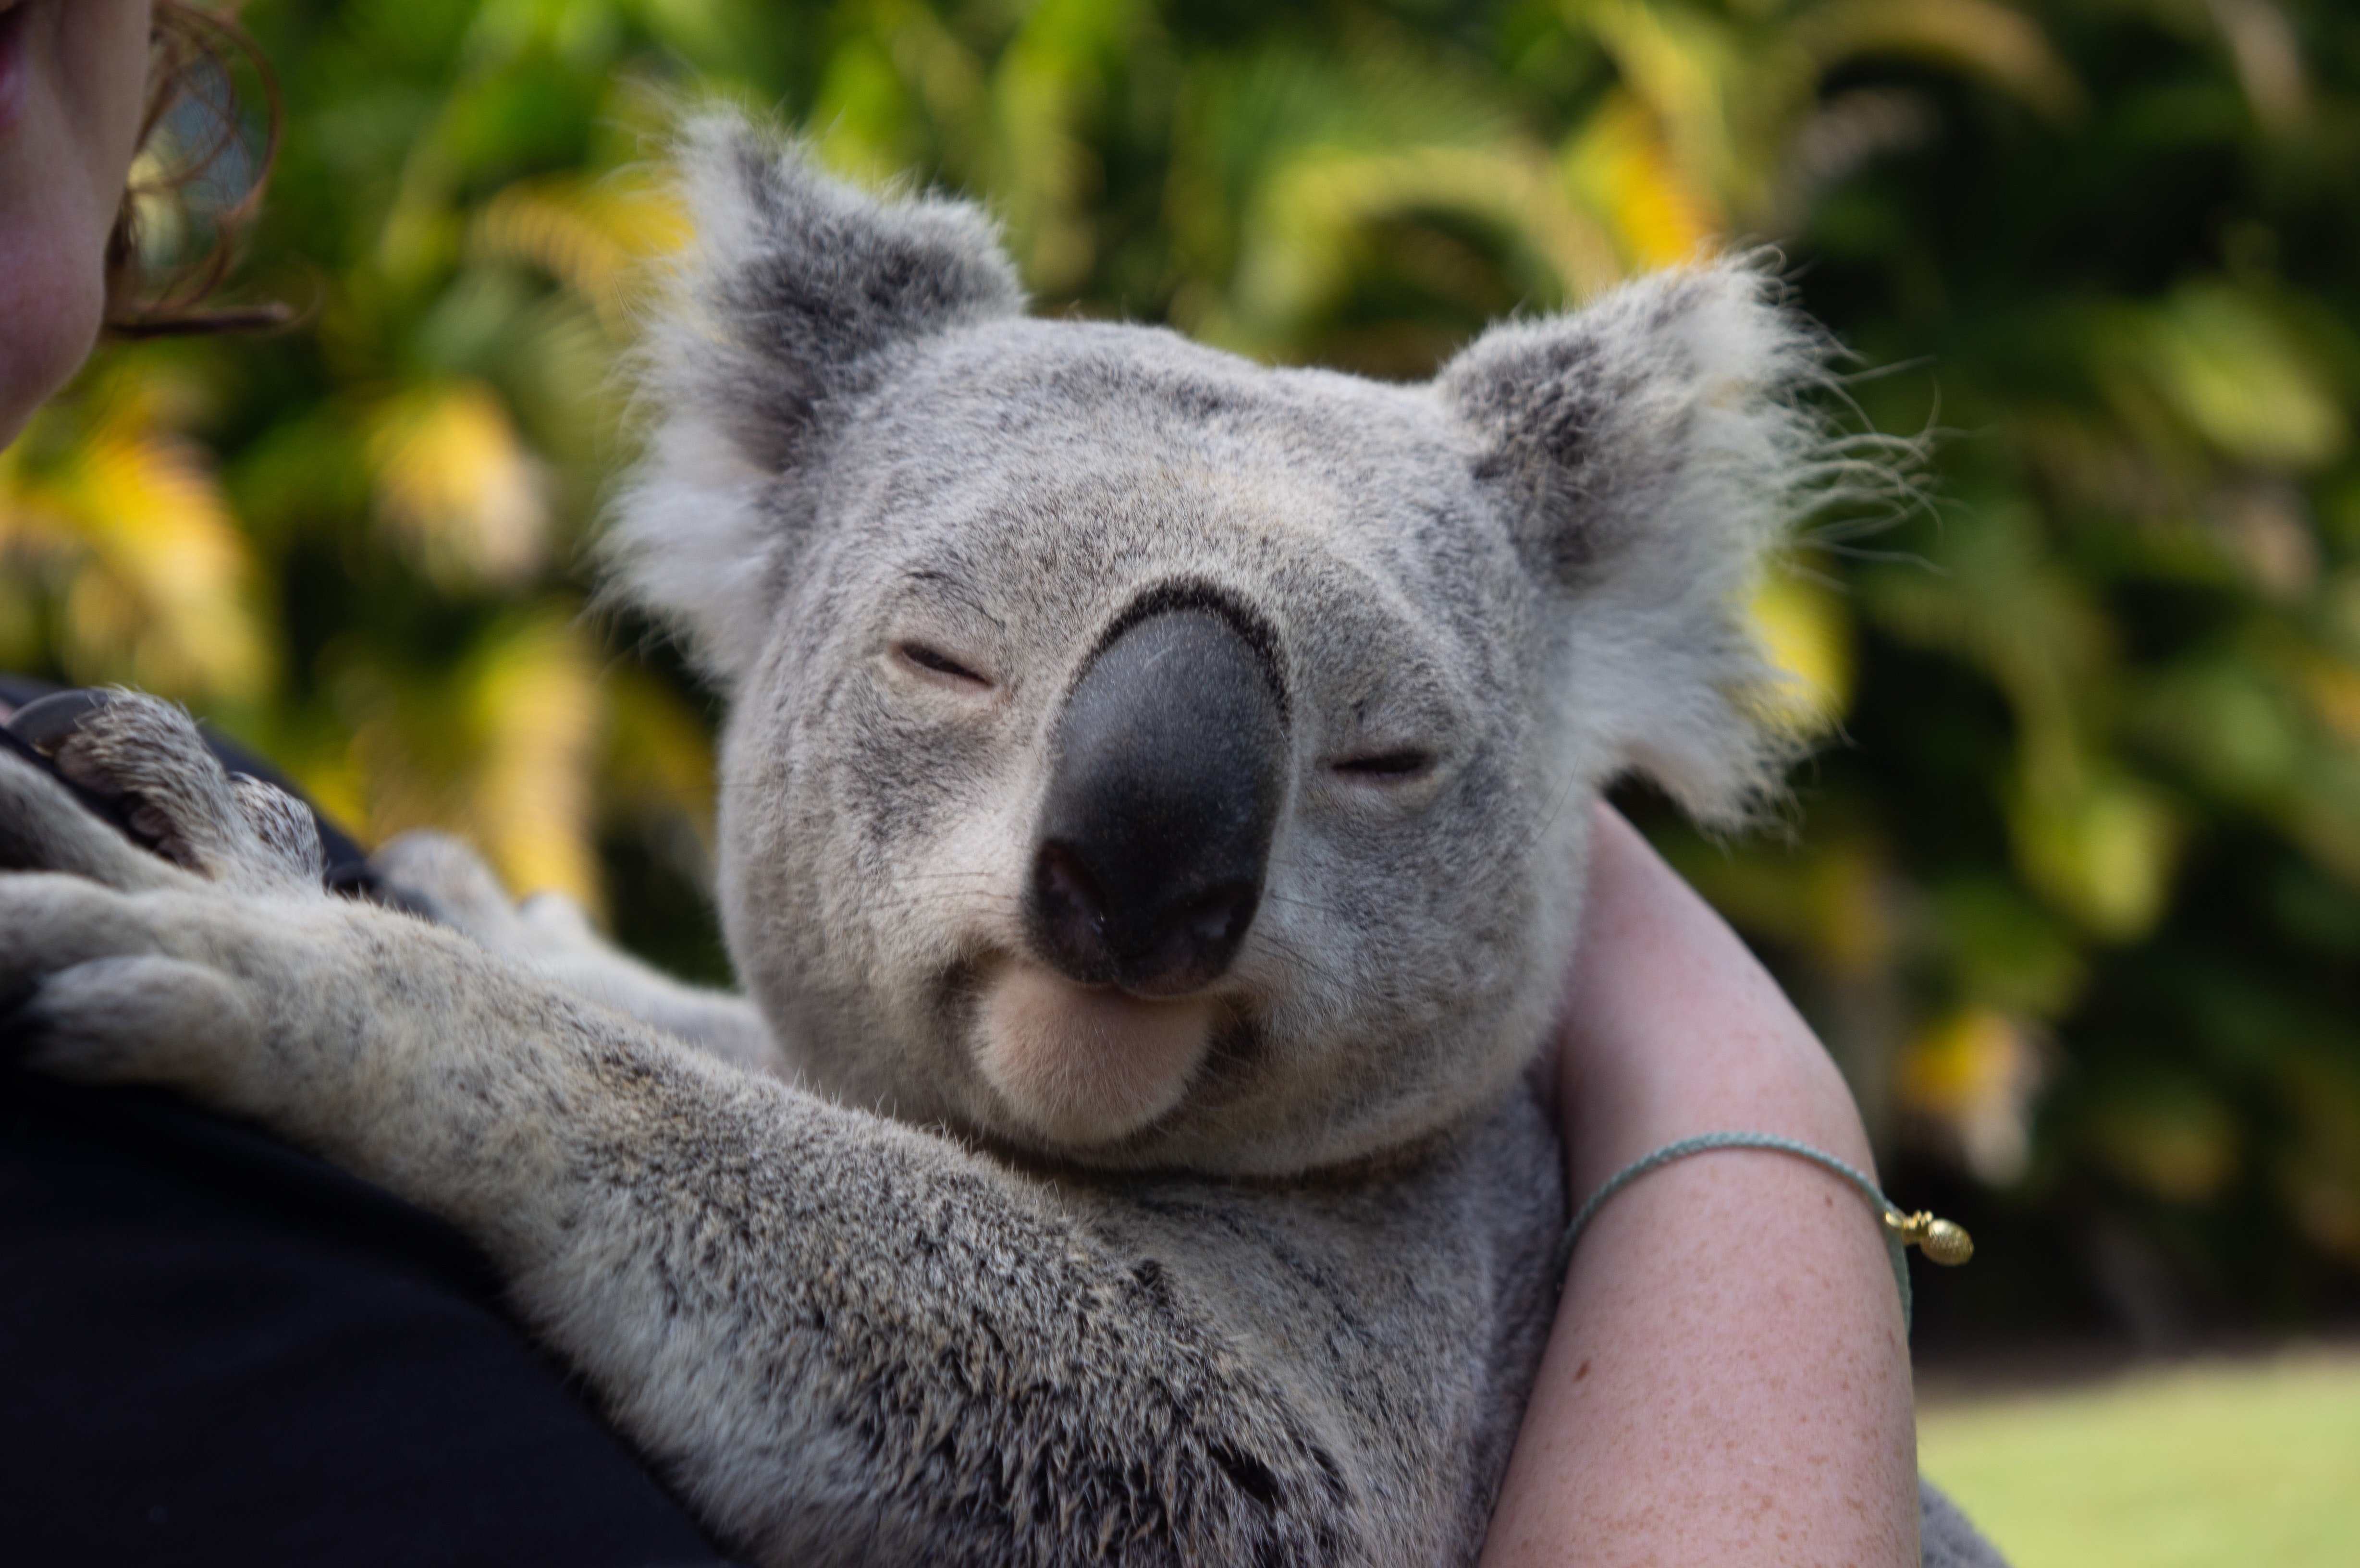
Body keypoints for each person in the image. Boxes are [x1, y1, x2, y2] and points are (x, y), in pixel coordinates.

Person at [0, 4, 1991, 1564]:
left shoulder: (1409, 1244)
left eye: (1388, 759)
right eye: (944, 662)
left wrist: (453, 1043)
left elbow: (1201, 1495)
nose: (1134, 884)